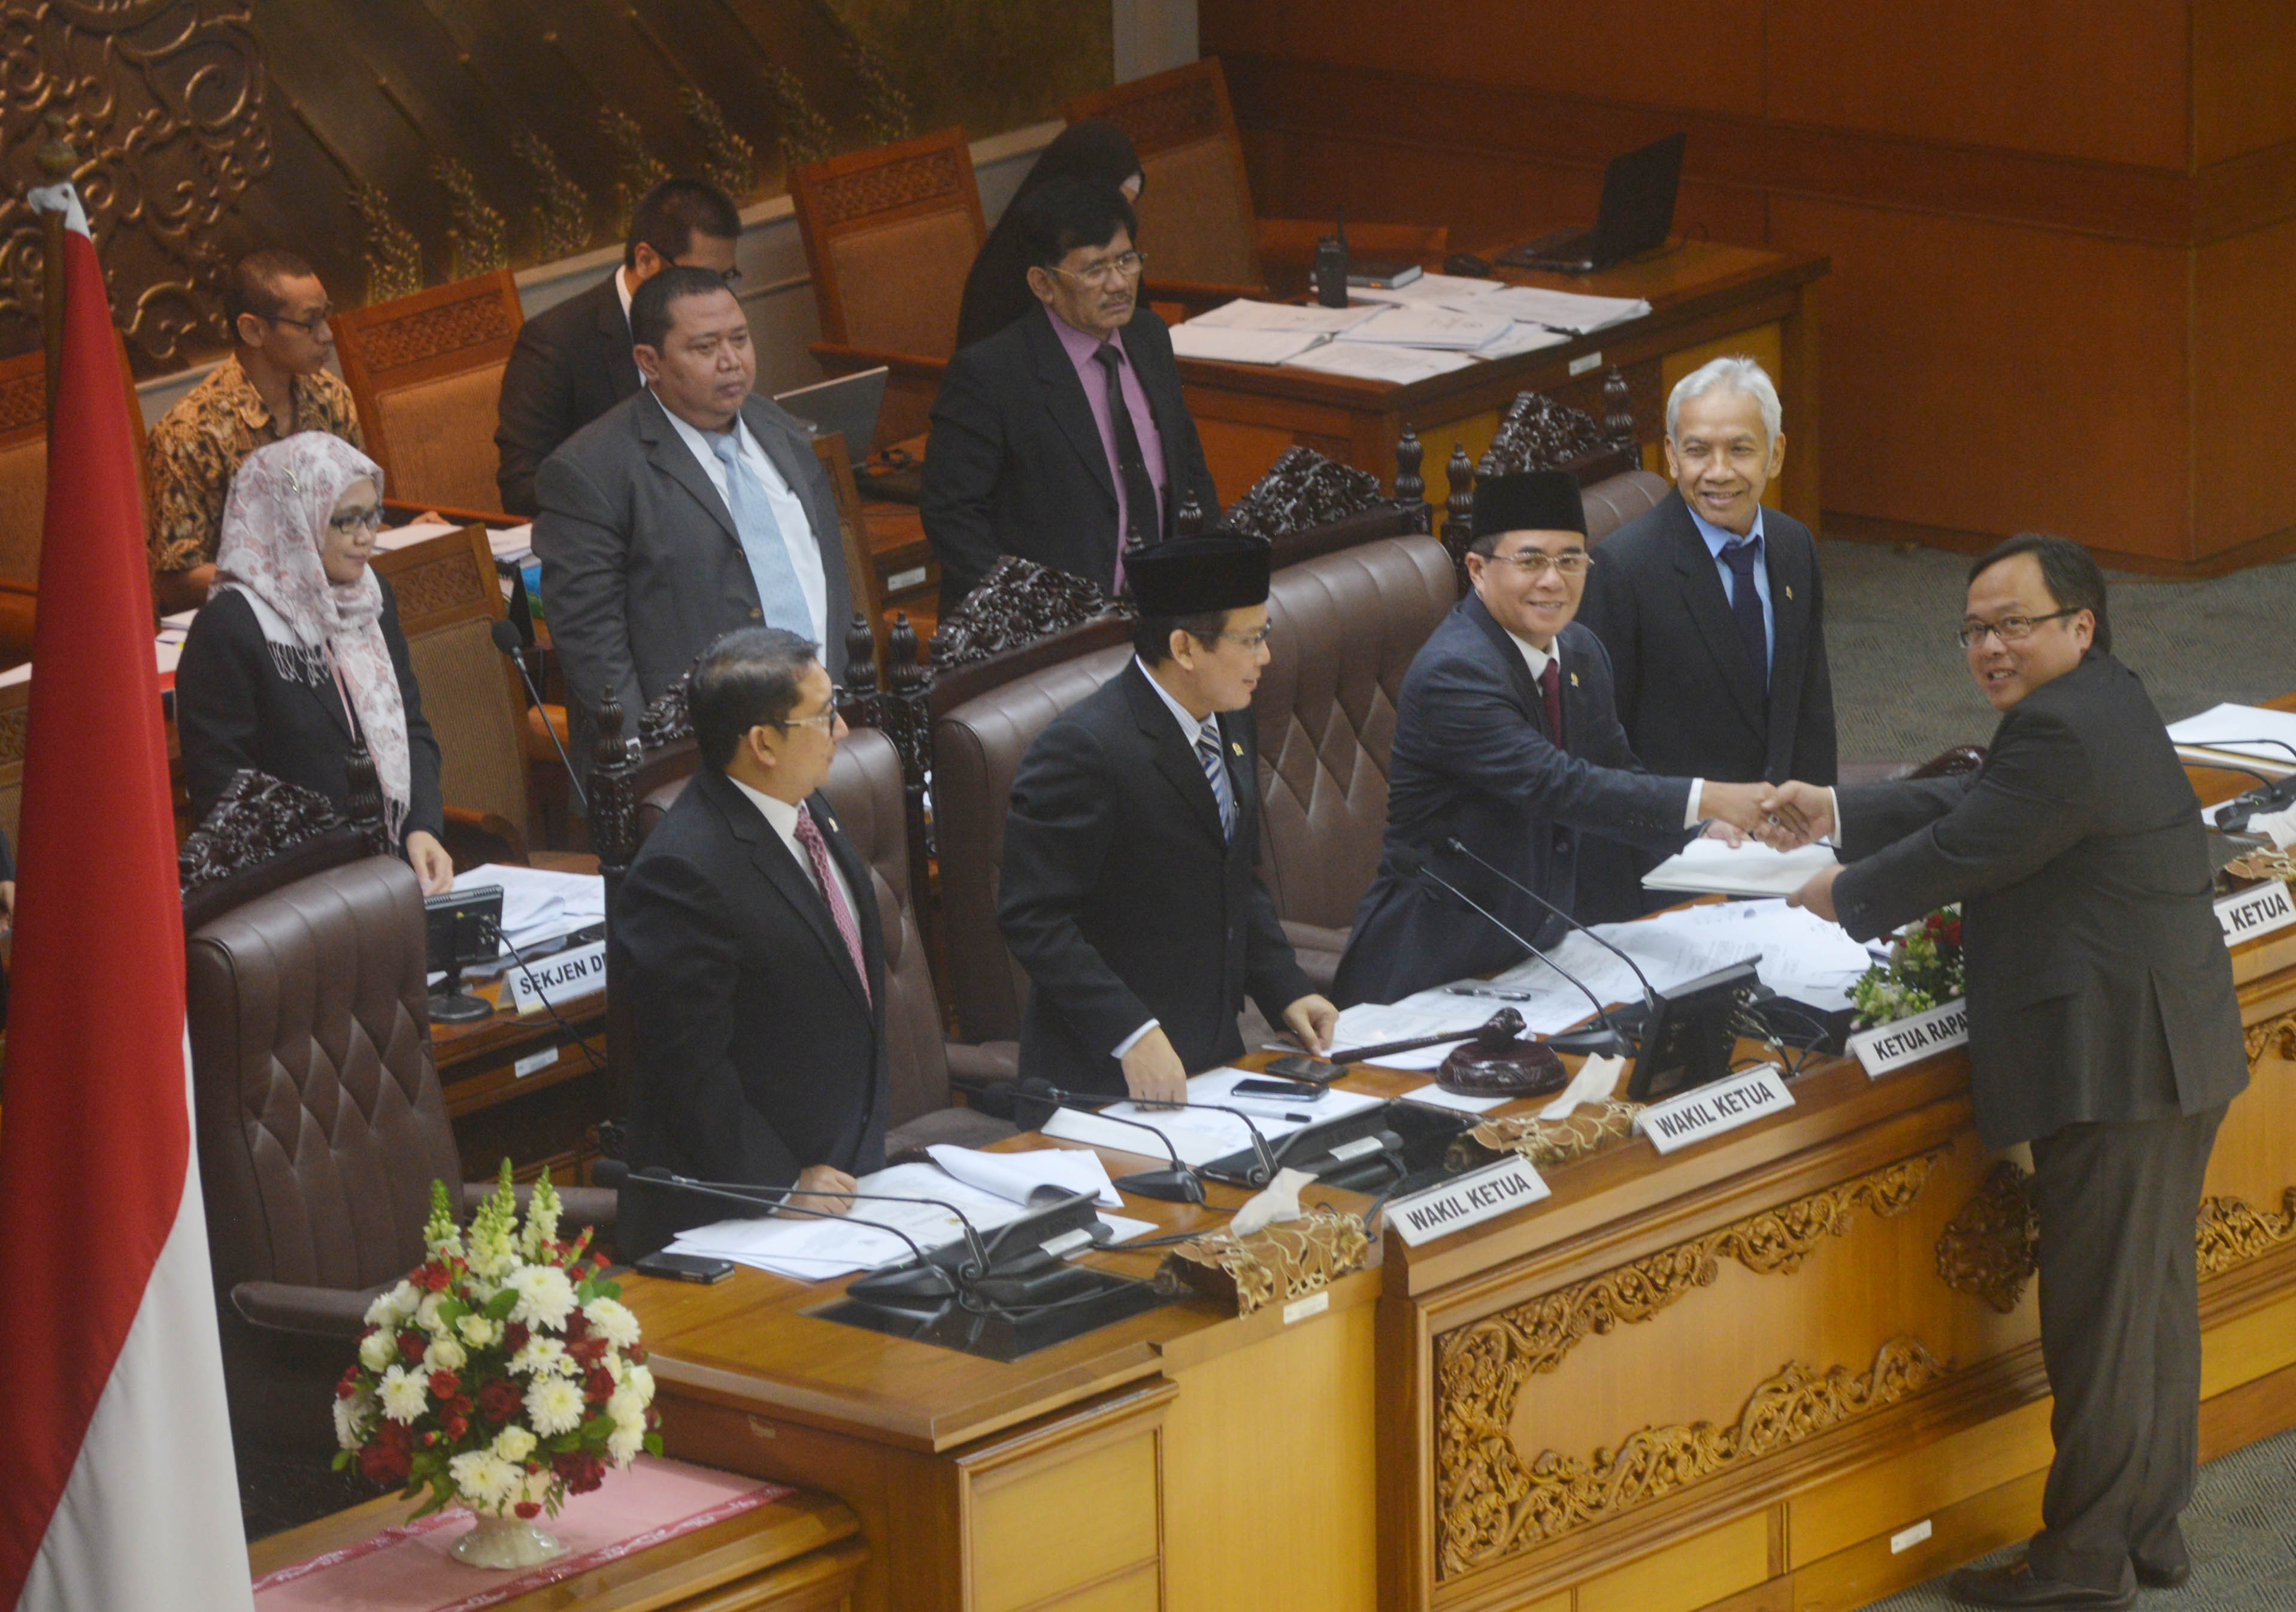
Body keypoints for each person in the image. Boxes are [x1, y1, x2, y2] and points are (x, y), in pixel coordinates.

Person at [1765, 536, 2247, 1612]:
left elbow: (1963, 850)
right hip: (2167, 1043)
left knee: (2101, 1322)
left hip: (2116, 1064)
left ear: (2078, 623)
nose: (1988, 647)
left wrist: (1839, 892)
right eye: (1973, 629)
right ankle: (2144, 1529)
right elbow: (1984, 803)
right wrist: (1835, 808)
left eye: (2011, 625)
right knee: (2148, 1305)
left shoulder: (2058, 729)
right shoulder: (2098, 698)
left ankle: (2081, 1564)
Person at [1333, 470, 1777, 1008]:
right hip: (1429, 965)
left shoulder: (1581, 650)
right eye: (1531, 561)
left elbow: (1616, 770)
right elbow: (1557, 784)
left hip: (1536, 952)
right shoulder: (1455, 671)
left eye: (1570, 560)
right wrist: (1706, 796)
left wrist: (1703, 826)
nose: (1553, 581)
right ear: (1477, 570)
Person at [999, 531, 1336, 1103]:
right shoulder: (1083, 749)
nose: (1265, 657)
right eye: (1251, 639)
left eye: (1266, 634)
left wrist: (1285, 987)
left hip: (1213, 1057)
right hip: (1104, 1077)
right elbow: (1034, 918)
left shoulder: (1229, 715)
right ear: (1184, 648)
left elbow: (1235, 874)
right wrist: (1131, 1032)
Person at [615, 628, 887, 1256]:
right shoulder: (681, 872)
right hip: (740, 1216)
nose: (843, 729)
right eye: (824, 715)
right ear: (763, 743)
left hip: (848, 1187)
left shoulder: (808, 807)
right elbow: (689, 1068)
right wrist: (782, 1185)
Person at [534, 265, 849, 779]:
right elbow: (593, 644)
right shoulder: (590, 471)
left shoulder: (780, 429)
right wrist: (650, 766)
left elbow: (828, 575)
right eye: (705, 347)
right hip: (692, 762)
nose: (732, 361)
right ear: (649, 361)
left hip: (822, 737)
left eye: (740, 339)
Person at [1575, 356, 1835, 920]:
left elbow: (1810, 708)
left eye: (1740, 449)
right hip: (1669, 873)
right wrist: (1690, 823)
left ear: (1776, 454)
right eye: (1697, 451)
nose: (1718, 472)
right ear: (1671, 456)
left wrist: (1823, 833)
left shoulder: (1794, 545)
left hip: (1782, 859)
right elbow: (1598, 745)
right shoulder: (1624, 568)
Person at [922, 180, 1218, 613]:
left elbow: (1188, 466)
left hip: (1163, 607)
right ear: (1043, 284)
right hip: (1050, 626)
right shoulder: (992, 375)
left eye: (1127, 260)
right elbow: (952, 515)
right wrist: (1024, 611)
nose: (1118, 283)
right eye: (1094, 270)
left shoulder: (1150, 337)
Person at [174, 433, 452, 894]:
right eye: (346, 521)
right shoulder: (230, 628)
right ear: (295, 521)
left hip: (391, 871)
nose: (366, 536)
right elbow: (225, 795)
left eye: (372, 515)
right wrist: (335, 864)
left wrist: (423, 827)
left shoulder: (372, 597)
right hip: (293, 890)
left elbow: (412, 726)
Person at [494, 178, 743, 516]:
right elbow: (523, 488)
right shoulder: (555, 343)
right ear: (646, 260)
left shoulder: (719, 329)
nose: (718, 296)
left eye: (726, 278)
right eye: (702, 279)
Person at [147, 250, 364, 614]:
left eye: (326, 315)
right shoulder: (189, 432)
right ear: (253, 331)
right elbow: (175, 582)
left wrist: (406, 533)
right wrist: (284, 577)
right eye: (309, 323)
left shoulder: (331, 398)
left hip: (334, 605)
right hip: (242, 623)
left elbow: (351, 517)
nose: (327, 334)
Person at [954, 120, 1143, 352]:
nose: (1121, 219)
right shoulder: (1005, 274)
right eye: (1094, 270)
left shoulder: (1120, 258)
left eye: (1129, 205)